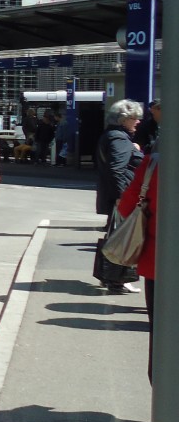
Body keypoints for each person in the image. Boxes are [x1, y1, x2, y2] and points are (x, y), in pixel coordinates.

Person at [117, 148, 159, 381]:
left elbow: (127, 207)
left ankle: (162, 391)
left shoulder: (154, 164)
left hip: (159, 266)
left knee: (161, 334)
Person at [94, 98, 144, 293]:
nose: (138, 121)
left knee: (115, 236)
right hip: (122, 197)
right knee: (124, 239)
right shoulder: (119, 139)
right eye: (135, 118)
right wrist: (121, 197)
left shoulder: (112, 136)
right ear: (123, 119)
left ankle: (110, 277)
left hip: (116, 195)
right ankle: (117, 279)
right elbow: (116, 169)